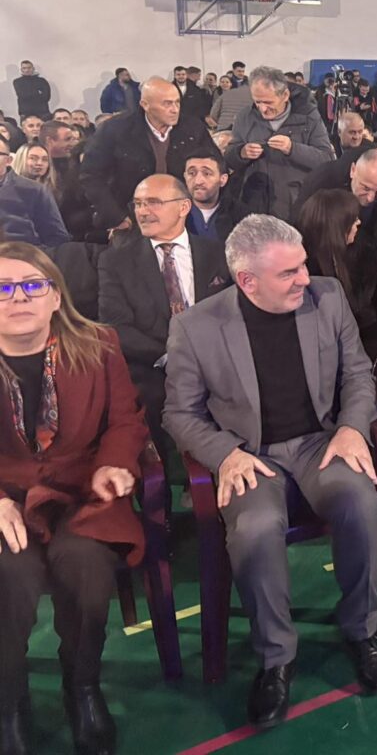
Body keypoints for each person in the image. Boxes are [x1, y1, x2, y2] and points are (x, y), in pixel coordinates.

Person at [163, 215, 377, 730]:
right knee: (255, 528)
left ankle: (362, 629)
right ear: (247, 281)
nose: (305, 279)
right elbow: (179, 413)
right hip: (252, 454)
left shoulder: (327, 297)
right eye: (289, 273)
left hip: (320, 444)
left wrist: (352, 427)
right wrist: (225, 453)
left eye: (304, 265)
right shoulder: (196, 326)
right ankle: (276, 656)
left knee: (360, 502)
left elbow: (358, 373)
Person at [0, 243, 149, 755]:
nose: (19, 297)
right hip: (7, 502)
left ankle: (82, 685)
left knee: (85, 563)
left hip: (83, 492)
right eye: (3, 288)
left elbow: (126, 420)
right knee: (10, 573)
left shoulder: (99, 345)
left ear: (56, 297)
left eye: (32, 285)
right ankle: (9, 700)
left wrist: (113, 463)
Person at [98, 174, 230, 470]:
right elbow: (116, 326)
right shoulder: (115, 261)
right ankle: (169, 481)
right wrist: (172, 356)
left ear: (184, 207)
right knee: (146, 395)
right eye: (138, 204)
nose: (143, 211)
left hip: (217, 360)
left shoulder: (219, 253)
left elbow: (234, 313)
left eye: (154, 202)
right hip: (154, 366)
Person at [80, 77, 218, 233]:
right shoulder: (115, 130)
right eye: (167, 103)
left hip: (184, 218)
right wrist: (116, 217)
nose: (175, 109)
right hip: (130, 219)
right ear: (145, 104)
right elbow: (91, 175)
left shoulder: (193, 128)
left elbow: (215, 164)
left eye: (177, 102)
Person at [226, 68, 336, 222]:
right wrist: (241, 153)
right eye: (257, 102)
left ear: (285, 95)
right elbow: (229, 158)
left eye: (268, 102)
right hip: (253, 205)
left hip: (296, 206)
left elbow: (326, 159)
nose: (263, 109)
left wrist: (292, 148)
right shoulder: (245, 117)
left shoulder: (309, 117)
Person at [297, 189, 377, 359]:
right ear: (336, 225)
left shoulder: (364, 255)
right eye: (353, 219)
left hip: (366, 342)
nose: (359, 222)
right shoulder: (304, 270)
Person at [294, 148, 377, 278]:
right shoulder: (323, 179)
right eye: (365, 188)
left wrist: (368, 276)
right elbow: (300, 227)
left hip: (366, 265)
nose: (370, 198)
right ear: (353, 170)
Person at [182, 152, 239, 242]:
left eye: (207, 174)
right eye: (192, 173)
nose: (198, 181)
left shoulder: (241, 216)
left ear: (223, 180)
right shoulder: (174, 214)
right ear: (185, 177)